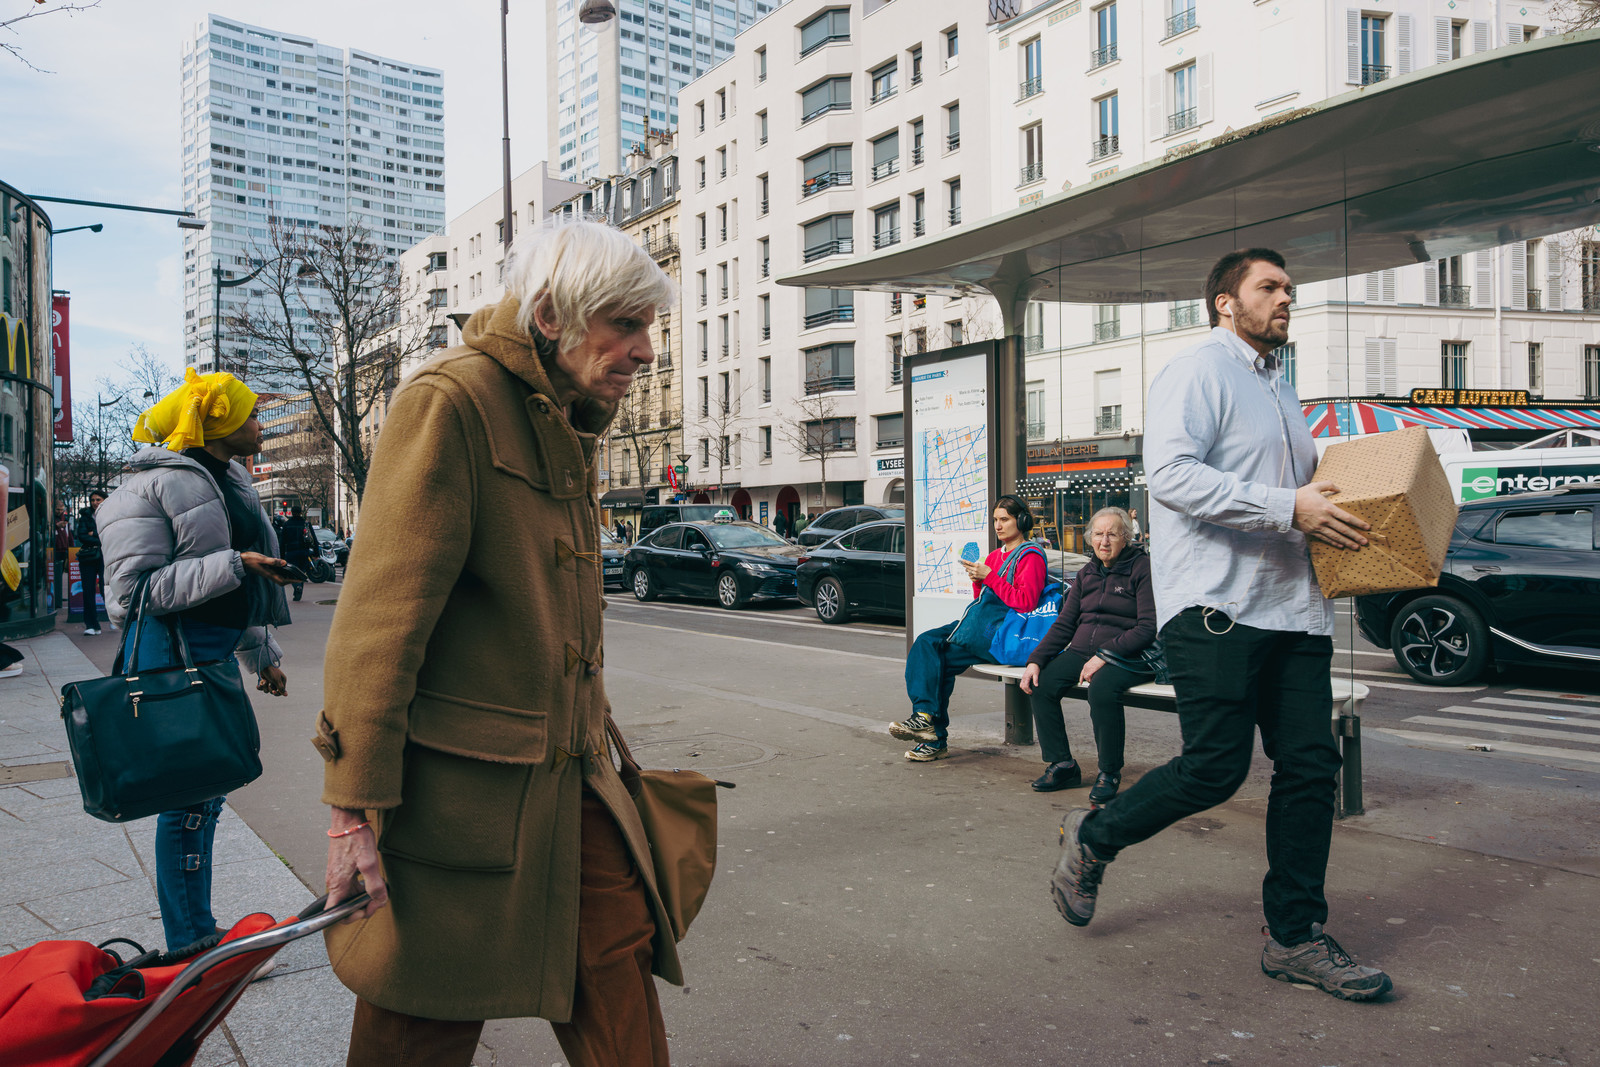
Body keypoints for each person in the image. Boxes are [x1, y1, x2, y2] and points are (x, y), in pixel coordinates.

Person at [317, 219, 680, 1067]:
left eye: (647, 326)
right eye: (624, 324)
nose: (646, 350)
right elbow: (379, 624)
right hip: (457, 811)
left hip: (579, 796)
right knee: (415, 1023)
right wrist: (350, 810)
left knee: (623, 1005)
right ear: (551, 315)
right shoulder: (451, 400)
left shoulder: (563, 412)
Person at [1050, 248, 1392, 1002]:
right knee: (1215, 767)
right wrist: (1288, 506)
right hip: (1215, 607)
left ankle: (1294, 937)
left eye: (1289, 289)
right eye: (1269, 287)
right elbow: (1169, 475)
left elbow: (1295, 494)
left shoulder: (1282, 388)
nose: (1285, 298)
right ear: (1225, 302)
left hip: (1295, 609)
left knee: (1310, 767)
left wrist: (1334, 509)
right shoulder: (1198, 370)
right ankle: (1095, 835)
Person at [97, 369, 295, 953]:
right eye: (253, 413)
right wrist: (239, 564)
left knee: (207, 794)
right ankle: (189, 935)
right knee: (189, 796)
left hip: (210, 650)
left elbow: (235, 577)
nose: (261, 423)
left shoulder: (231, 478)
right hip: (171, 657)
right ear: (220, 421)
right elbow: (130, 594)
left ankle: (196, 926)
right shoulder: (149, 485)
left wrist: (262, 653)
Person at [890, 495, 1048, 762]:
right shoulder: (997, 556)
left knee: (934, 653)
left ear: (1021, 521)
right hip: (985, 627)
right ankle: (928, 724)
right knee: (928, 647)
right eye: (996, 520)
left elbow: (1026, 602)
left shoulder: (1031, 556)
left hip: (1002, 634)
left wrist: (990, 578)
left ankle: (931, 730)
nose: (998, 526)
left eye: (1005, 519)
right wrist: (979, 580)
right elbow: (982, 600)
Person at [1019, 506, 1155, 801]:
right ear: (1089, 538)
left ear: (1126, 538)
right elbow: (1065, 624)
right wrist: (1036, 660)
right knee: (1041, 686)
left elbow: (1148, 627)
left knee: (1102, 691)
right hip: (1083, 651)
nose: (1104, 541)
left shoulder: (1141, 568)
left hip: (1128, 654)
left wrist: (1105, 654)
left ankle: (1109, 771)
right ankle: (1063, 764)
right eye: (1098, 534)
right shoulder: (1087, 572)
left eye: (1112, 534)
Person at [75, 492, 107, 635]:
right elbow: (81, 536)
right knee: (88, 591)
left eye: (98, 499)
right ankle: (91, 625)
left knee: (106, 588)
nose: (95, 502)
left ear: (105, 500)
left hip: (105, 557)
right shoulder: (85, 516)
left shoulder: (110, 514)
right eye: (93, 500)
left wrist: (92, 534)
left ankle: (114, 619)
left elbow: (112, 534)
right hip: (88, 558)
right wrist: (99, 536)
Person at [280, 505, 316, 602]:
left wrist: (281, 555)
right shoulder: (306, 524)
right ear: (301, 512)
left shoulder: (287, 524)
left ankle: (297, 587)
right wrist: (316, 552)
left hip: (291, 552)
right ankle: (298, 592)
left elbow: (282, 541)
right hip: (304, 551)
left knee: (292, 573)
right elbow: (314, 538)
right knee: (301, 572)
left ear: (291, 512)